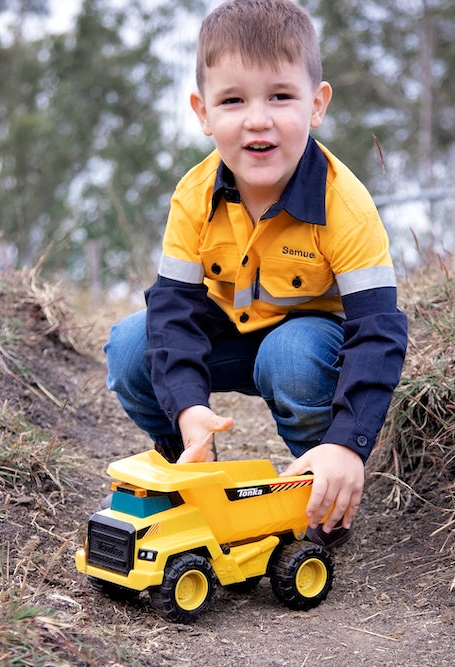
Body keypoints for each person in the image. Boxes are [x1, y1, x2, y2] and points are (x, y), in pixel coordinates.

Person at [104, 0, 407, 546]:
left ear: (317, 104)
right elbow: (171, 312)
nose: (258, 119)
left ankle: (321, 487)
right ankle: (189, 461)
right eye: (233, 100)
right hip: (226, 336)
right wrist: (191, 409)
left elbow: (378, 330)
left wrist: (348, 443)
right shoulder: (193, 196)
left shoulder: (346, 205)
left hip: (310, 351)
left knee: (289, 355)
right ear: (202, 113)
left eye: (281, 96)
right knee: (130, 345)